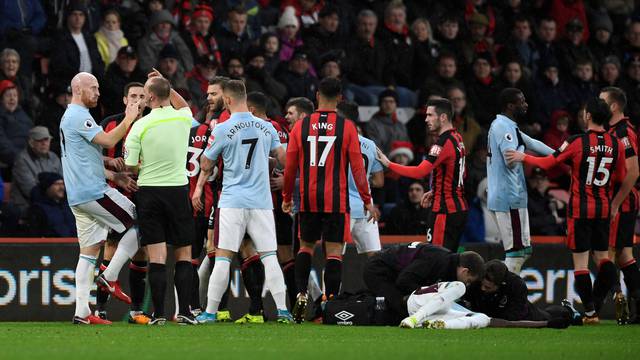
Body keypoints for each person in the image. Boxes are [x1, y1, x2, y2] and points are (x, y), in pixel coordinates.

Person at [505, 98, 628, 324]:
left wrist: (524, 157)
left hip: (580, 209)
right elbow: (621, 176)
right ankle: (611, 296)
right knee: (603, 258)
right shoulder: (617, 143)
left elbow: (549, 164)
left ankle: (590, 312)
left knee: (580, 263)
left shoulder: (576, 141)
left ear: (588, 116)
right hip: (603, 209)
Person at [193, 80, 293, 324]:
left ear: (227, 100)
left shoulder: (223, 129)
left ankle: (210, 312)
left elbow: (206, 164)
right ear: (245, 98)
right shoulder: (267, 127)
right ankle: (282, 311)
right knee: (270, 256)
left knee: (224, 257)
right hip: (261, 201)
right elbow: (283, 159)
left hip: (232, 201)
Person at [282, 78, 379, 323]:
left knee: (305, 247)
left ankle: (302, 294)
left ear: (316, 95)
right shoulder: (346, 128)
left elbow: (290, 166)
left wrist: (286, 197)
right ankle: (330, 301)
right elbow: (357, 168)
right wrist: (367, 199)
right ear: (340, 98)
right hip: (336, 200)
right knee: (334, 253)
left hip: (309, 199)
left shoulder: (301, 126)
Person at [61, 72, 141, 325]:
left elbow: (84, 158)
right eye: (93, 88)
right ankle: (111, 275)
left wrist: (112, 175)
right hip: (93, 191)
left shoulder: (72, 117)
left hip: (78, 194)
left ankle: (82, 312)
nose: (97, 93)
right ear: (78, 89)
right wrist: (129, 118)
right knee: (144, 221)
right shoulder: (78, 116)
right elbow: (108, 140)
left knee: (89, 252)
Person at [123, 71, 196, 325]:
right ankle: (185, 311)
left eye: (145, 93)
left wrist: (141, 164)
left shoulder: (139, 126)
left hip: (150, 193)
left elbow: (130, 167)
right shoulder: (183, 118)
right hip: (177, 191)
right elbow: (185, 105)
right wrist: (166, 83)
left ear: (151, 97)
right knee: (184, 254)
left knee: (156, 257)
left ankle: (159, 314)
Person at [378, 99, 467, 252]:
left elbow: (420, 171)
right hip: (458, 208)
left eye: (430, 115)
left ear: (443, 117)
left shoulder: (442, 142)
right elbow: (460, 173)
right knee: (450, 258)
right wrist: (436, 190)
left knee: (438, 258)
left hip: (444, 211)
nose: (426, 119)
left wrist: (389, 164)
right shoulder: (457, 138)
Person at [486, 88, 554, 274]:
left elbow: (532, 142)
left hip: (514, 198)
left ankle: (505, 288)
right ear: (510, 105)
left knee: (524, 252)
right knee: (515, 254)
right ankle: (502, 292)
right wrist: (523, 151)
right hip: (508, 198)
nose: (526, 105)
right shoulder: (502, 127)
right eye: (522, 101)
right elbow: (510, 160)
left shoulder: (509, 126)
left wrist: (561, 156)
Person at [97, 81, 149, 324]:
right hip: (113, 192)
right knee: (110, 248)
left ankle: (136, 311)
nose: (137, 100)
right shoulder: (110, 122)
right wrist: (111, 163)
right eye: (133, 96)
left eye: (141, 96)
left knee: (141, 252)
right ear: (124, 99)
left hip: (142, 190)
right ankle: (100, 309)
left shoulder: (151, 122)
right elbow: (91, 156)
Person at [363, 242, 484, 325]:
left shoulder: (447, 262)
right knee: (404, 309)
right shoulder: (437, 260)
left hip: (392, 272)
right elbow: (404, 280)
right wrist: (425, 295)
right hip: (378, 270)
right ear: (465, 271)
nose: (466, 285)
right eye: (468, 281)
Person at [600, 87, 640, 324]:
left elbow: (633, 171)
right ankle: (636, 305)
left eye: (602, 101)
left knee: (607, 252)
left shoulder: (624, 132)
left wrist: (614, 204)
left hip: (622, 202)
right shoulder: (614, 130)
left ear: (614, 107)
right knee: (624, 255)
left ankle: (607, 299)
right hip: (621, 201)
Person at [401, 280, 570, 330]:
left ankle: (439, 326)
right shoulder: (460, 287)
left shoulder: (515, 286)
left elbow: (507, 322)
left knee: (483, 319)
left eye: (488, 287)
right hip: (420, 308)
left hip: (436, 315)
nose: (483, 289)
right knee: (459, 287)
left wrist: (547, 324)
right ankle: (416, 319)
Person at [338, 101, 384, 257]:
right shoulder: (370, 145)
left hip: (342, 207)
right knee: (375, 259)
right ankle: (381, 282)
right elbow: (379, 182)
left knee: (333, 257)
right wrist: (362, 179)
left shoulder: (336, 142)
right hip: (366, 207)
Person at [10, 127, 62, 217]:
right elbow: (31, 191)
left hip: (54, 202)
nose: (44, 143)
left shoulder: (54, 157)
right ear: (31, 143)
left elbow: (62, 183)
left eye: (46, 140)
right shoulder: (21, 160)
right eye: (39, 140)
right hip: (28, 204)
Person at [49, 3, 104, 85]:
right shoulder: (61, 39)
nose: (78, 18)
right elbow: (61, 66)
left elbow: (98, 60)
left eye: (81, 15)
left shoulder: (90, 38)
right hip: (71, 83)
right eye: (74, 14)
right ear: (68, 17)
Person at [26, 172, 76, 237]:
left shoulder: (69, 207)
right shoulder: (38, 209)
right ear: (47, 187)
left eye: (62, 184)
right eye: (57, 184)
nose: (61, 187)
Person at [102, 46, 147, 117]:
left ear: (136, 61)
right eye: (124, 58)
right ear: (118, 60)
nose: (128, 61)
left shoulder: (143, 77)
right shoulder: (108, 77)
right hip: (115, 117)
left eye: (132, 58)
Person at [0, 80, 32, 170]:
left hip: (28, 159)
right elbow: (3, 145)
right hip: (11, 163)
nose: (12, 99)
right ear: (1, 99)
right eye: (8, 95)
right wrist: (21, 159)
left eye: (15, 95)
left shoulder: (23, 114)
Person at [366, 89, 410, 156]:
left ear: (396, 104)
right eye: (385, 101)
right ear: (380, 104)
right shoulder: (372, 124)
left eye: (391, 102)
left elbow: (406, 147)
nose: (388, 105)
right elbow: (375, 150)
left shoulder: (401, 126)